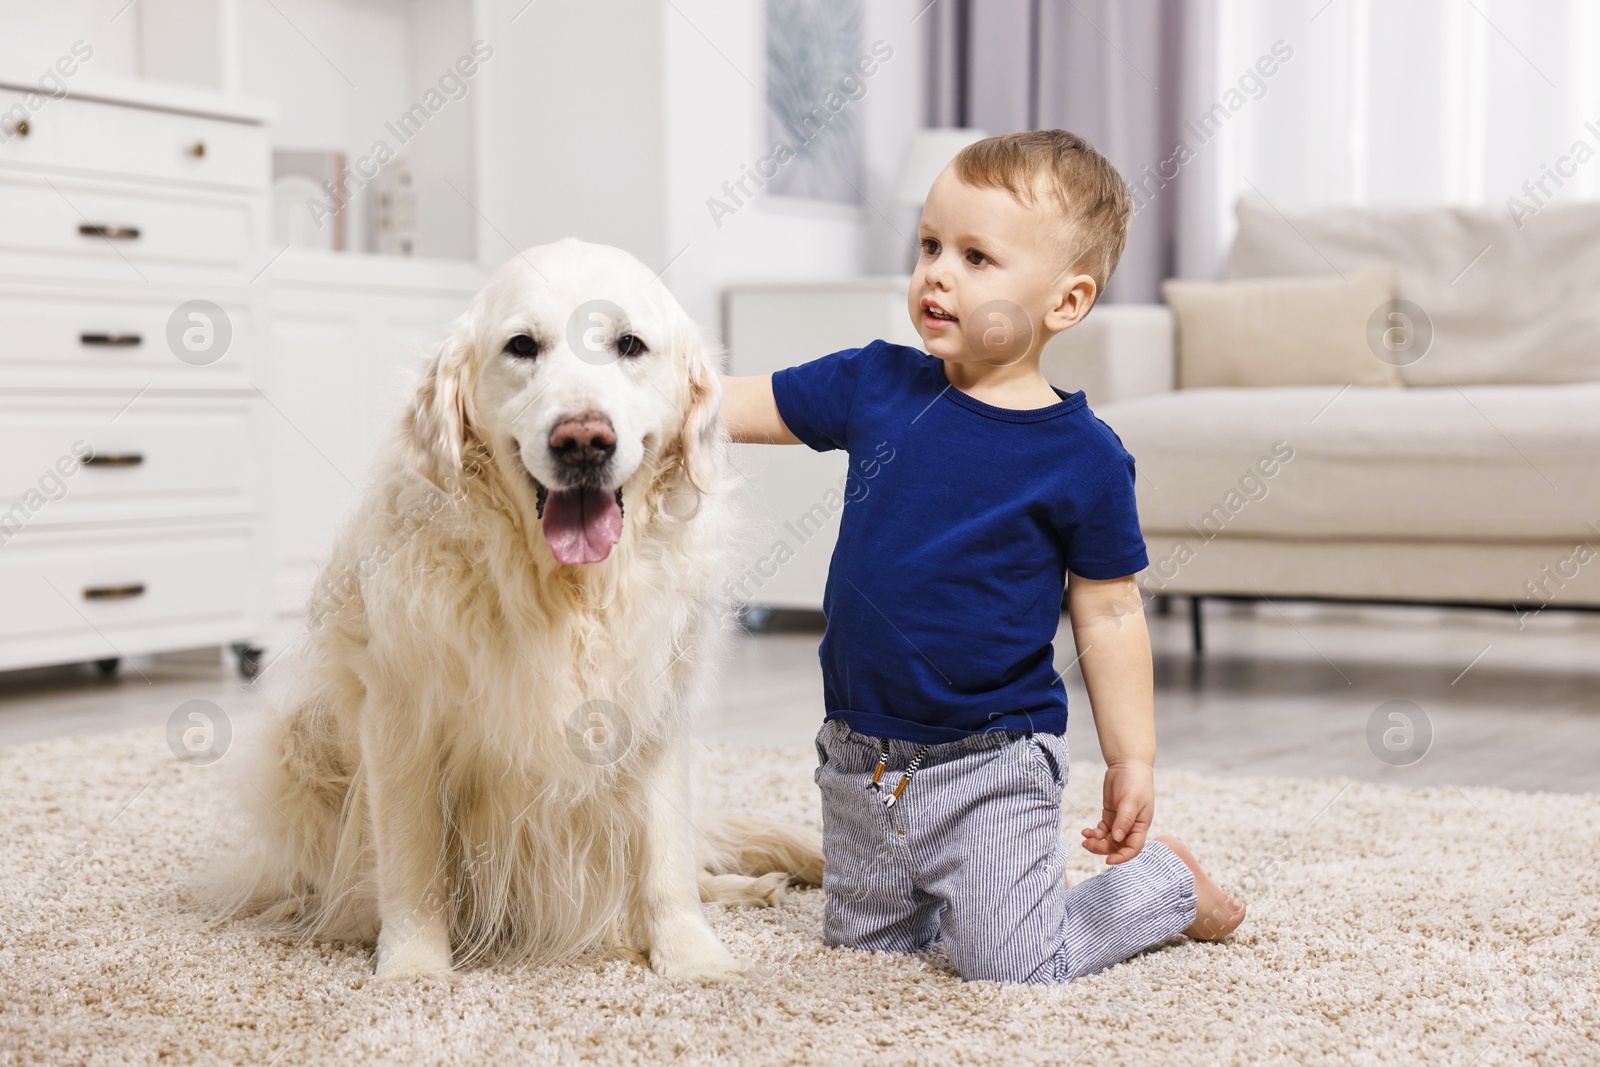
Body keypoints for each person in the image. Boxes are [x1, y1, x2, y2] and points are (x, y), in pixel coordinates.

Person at [718, 130, 1246, 983]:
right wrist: (637, 398)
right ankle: (944, 890)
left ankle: (1166, 885)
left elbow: (1110, 613)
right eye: (929, 245)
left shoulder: (1084, 457)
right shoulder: (873, 384)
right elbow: (738, 404)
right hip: (861, 757)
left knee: (1011, 963)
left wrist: (1132, 757)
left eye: (976, 256)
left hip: (993, 760)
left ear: (1066, 302)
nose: (936, 272)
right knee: (870, 958)